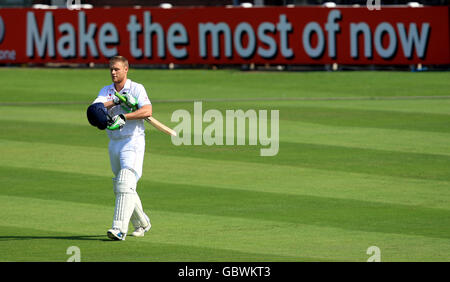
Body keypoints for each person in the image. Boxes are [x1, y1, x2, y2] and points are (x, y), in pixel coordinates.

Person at [90, 56, 152, 241]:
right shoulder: (106, 90)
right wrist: (117, 101)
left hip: (132, 141)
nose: (113, 72)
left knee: (125, 181)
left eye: (117, 69)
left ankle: (118, 229)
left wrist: (126, 115)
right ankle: (143, 223)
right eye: (111, 69)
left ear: (126, 69)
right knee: (123, 187)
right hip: (114, 142)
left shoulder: (136, 88)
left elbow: (148, 111)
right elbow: (94, 110)